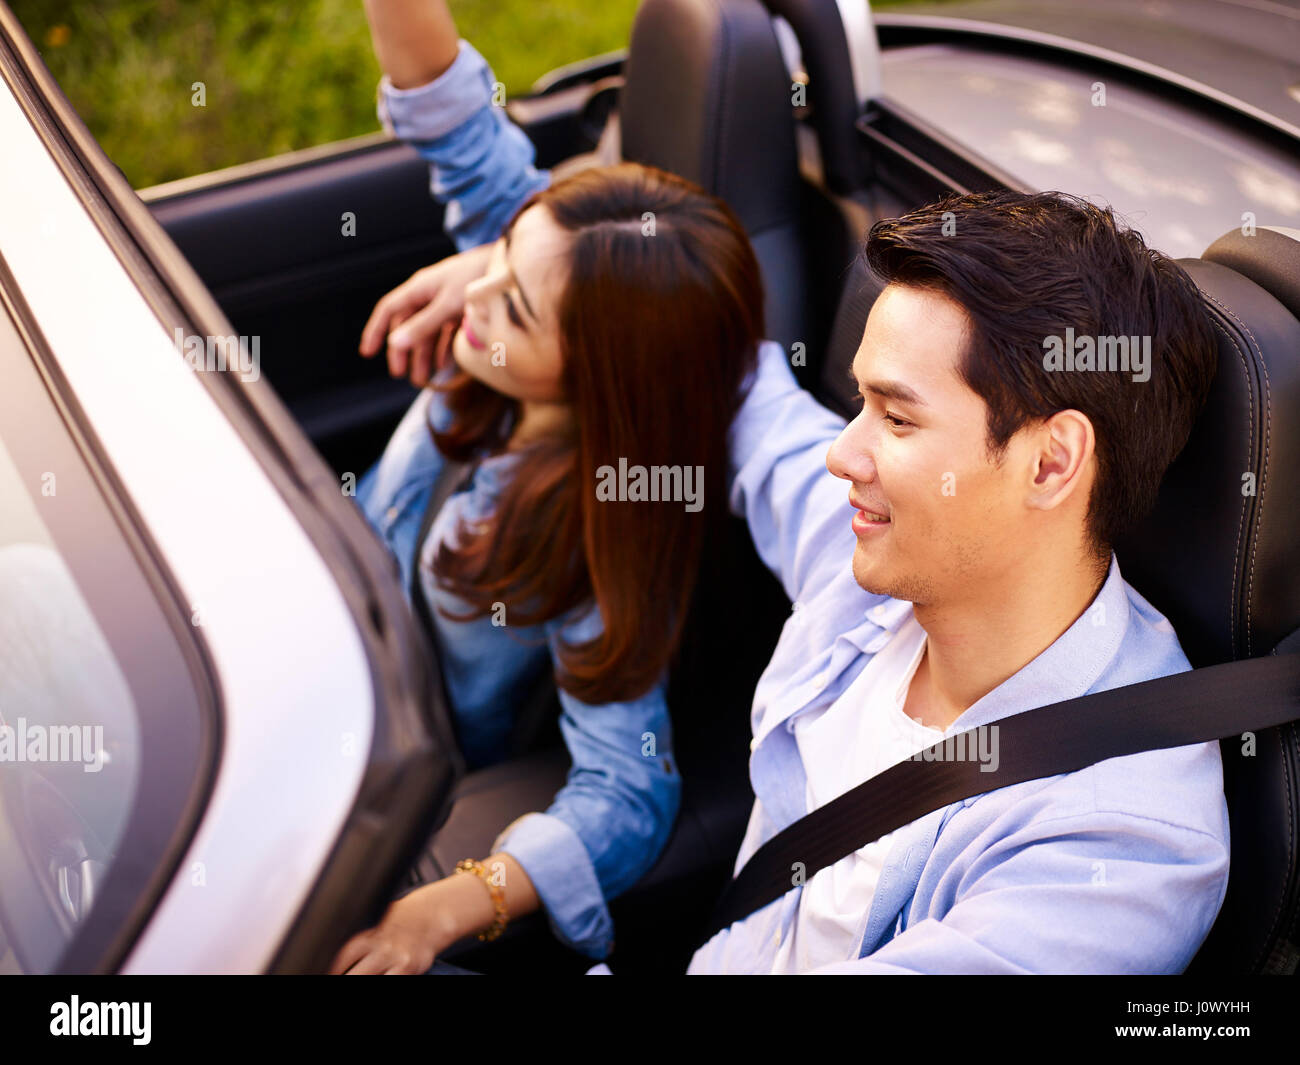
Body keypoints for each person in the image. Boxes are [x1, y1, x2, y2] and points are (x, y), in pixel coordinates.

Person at [346, 1, 1228, 974]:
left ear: (1050, 462)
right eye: (856, 406)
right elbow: (708, 374)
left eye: (894, 419)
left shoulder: (1111, 851)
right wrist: (510, 274)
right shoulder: (870, 567)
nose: (839, 456)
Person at [330, 3, 765, 975]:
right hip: (298, 644)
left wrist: (454, 903)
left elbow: (627, 792)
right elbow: (449, 114)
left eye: (509, 304)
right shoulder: (550, 267)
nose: (466, 291)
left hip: (358, 756)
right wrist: (495, 256)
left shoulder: (591, 547)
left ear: (596, 376)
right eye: (500, 255)